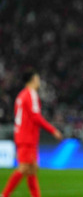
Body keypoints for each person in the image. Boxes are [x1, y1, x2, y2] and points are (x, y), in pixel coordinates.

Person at [1, 68, 63, 197]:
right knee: (24, 168)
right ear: (34, 79)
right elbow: (36, 117)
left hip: (22, 135)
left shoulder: (21, 95)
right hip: (27, 137)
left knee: (32, 169)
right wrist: (53, 130)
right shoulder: (31, 94)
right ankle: (4, 194)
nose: (39, 81)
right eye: (38, 78)